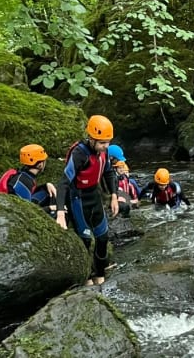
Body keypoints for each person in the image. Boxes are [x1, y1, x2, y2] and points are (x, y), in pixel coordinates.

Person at [55, 115, 119, 286]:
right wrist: (60, 213)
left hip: (94, 196)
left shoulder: (103, 153)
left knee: (103, 237)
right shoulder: (79, 153)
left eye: (108, 142)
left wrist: (114, 196)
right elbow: (63, 183)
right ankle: (87, 276)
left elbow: (109, 173)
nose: (105, 146)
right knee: (85, 240)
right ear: (91, 138)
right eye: (102, 142)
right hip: (78, 199)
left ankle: (100, 273)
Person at [0, 144, 58, 216]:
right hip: (11, 215)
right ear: (39, 164)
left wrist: (46, 185)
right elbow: (27, 212)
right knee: (56, 213)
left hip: (17, 206)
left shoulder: (24, 175)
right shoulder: (24, 182)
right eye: (44, 161)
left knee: (48, 192)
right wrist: (50, 208)